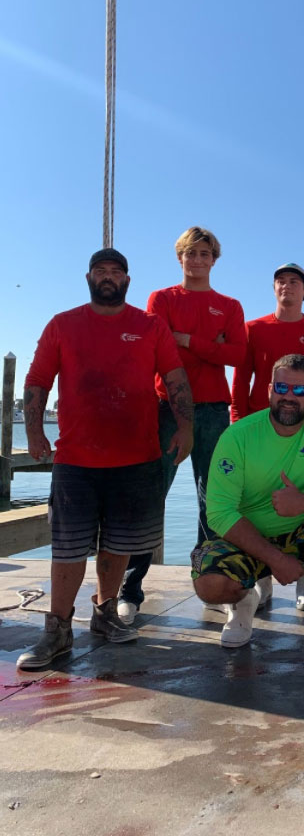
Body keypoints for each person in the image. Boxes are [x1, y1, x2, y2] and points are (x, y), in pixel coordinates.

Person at [18, 248, 193, 670]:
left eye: (116, 271)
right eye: (101, 271)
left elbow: (175, 378)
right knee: (68, 546)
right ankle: (58, 629)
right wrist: (35, 430)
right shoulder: (63, 324)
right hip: (76, 459)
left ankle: (106, 612)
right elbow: (38, 380)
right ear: (89, 277)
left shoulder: (149, 325)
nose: (109, 277)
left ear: (128, 280)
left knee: (119, 545)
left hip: (136, 457)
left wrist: (186, 426)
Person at [191, 354, 304, 661]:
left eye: (300, 390)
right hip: (250, 540)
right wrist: (276, 559)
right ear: (268, 390)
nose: (289, 397)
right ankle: (243, 603)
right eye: (282, 387)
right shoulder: (237, 436)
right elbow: (220, 513)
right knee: (209, 584)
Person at [118, 227, 247, 624]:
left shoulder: (228, 304)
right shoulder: (161, 298)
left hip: (212, 411)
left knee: (213, 502)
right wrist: (211, 345)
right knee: (150, 495)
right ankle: (129, 588)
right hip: (166, 409)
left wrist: (188, 338)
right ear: (180, 258)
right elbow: (156, 346)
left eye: (205, 253)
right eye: (191, 253)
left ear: (214, 259)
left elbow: (237, 354)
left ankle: (210, 583)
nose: (198, 260)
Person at [229, 262, 304, 612]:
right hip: (259, 429)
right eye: (280, 281)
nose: (286, 286)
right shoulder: (253, 329)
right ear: (273, 288)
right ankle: (263, 579)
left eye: (294, 282)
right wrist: (236, 423)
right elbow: (241, 380)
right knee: (257, 500)